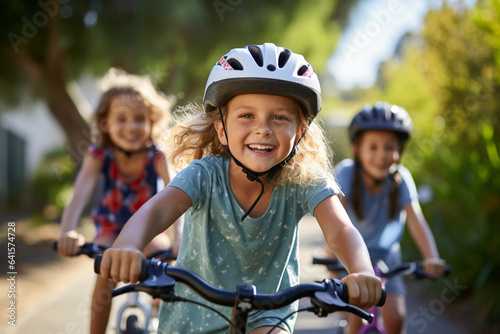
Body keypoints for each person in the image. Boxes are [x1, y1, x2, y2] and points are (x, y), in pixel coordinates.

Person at [98, 43, 383, 334]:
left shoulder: (304, 180)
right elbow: (157, 211)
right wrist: (128, 246)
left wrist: (361, 270)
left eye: (280, 117)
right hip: (191, 317)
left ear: (299, 132)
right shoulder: (205, 175)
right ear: (221, 128)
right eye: (247, 115)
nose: (263, 129)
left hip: (268, 315)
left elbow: (340, 230)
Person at [57, 68, 182, 334]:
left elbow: (177, 195)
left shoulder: (157, 155)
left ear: (152, 122)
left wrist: (180, 236)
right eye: (121, 118)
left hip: (149, 231)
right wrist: (67, 231)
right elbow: (78, 195)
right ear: (105, 123)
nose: (131, 126)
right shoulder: (99, 154)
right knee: (105, 276)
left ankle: (167, 317)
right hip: (111, 229)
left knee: (167, 273)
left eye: (139, 119)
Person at [326, 102, 446, 334]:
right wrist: (331, 265)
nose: (382, 155)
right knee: (355, 318)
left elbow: (416, 220)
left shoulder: (401, 178)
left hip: (388, 259)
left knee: (396, 319)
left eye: (389, 147)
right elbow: (334, 222)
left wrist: (431, 257)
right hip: (350, 257)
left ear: (399, 151)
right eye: (373, 147)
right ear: (356, 149)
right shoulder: (346, 173)